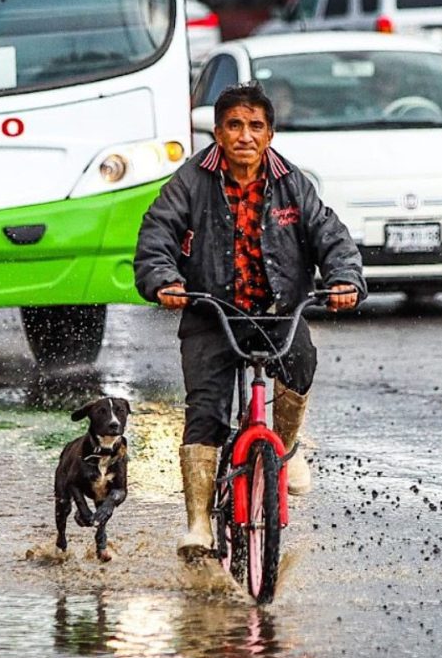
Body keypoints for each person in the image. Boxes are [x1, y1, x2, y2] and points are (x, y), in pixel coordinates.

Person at [134, 81, 366, 557]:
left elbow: (330, 234)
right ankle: (198, 522)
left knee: (301, 363)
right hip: (209, 312)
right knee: (206, 412)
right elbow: (157, 233)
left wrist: (345, 278)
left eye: (255, 126)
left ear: (270, 134)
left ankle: (283, 450)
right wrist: (163, 280)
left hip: (278, 311)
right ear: (218, 133)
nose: (245, 135)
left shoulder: (292, 182)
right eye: (234, 125)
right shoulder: (191, 180)